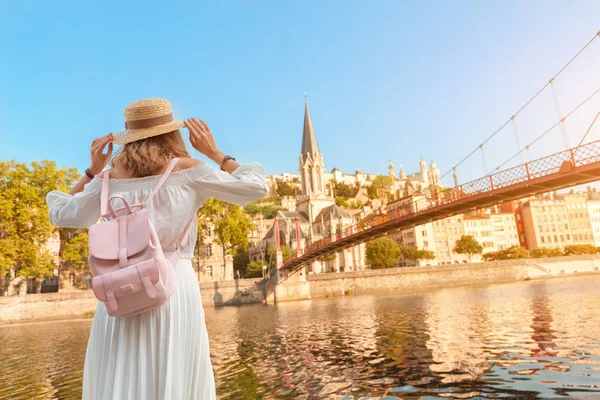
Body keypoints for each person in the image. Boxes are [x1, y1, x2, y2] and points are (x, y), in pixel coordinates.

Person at [45, 98, 269, 399]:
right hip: (172, 287)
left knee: (120, 376)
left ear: (129, 138)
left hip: (119, 290)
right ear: (170, 133)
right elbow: (256, 186)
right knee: (172, 374)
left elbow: (60, 214)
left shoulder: (108, 178)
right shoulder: (189, 172)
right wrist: (215, 153)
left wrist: (91, 170)